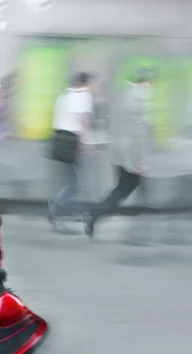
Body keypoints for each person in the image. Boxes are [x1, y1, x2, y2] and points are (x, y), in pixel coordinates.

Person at [84, 69, 154, 238]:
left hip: (119, 151)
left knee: (123, 189)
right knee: (127, 190)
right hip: (132, 154)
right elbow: (140, 133)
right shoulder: (142, 98)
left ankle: (97, 214)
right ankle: (96, 214)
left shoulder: (123, 95)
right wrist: (141, 160)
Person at [47, 72, 96, 230]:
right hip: (72, 140)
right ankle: (57, 207)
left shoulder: (65, 95)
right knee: (75, 183)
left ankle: (70, 210)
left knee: (73, 180)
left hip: (59, 138)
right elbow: (82, 120)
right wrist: (86, 142)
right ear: (85, 82)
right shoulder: (84, 95)